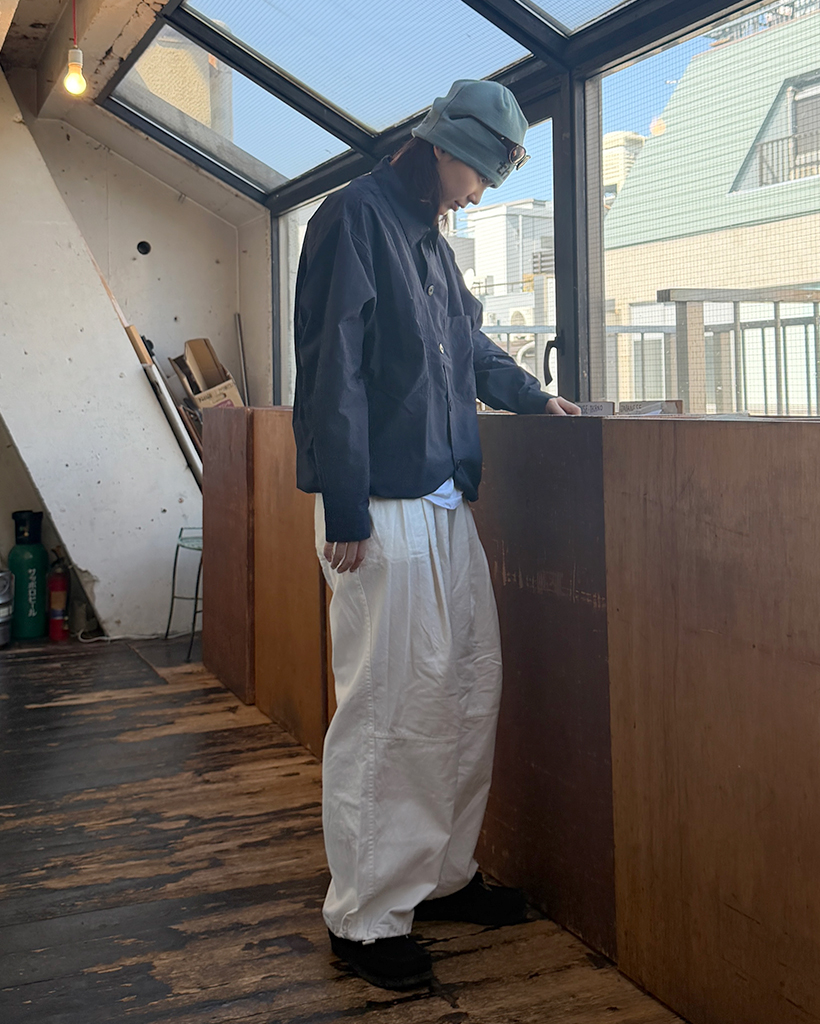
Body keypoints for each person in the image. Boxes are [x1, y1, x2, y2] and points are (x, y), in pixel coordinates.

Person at [293, 79, 581, 991]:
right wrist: (343, 505)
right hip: (378, 505)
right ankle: (366, 918)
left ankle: (442, 876)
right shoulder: (354, 218)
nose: (480, 192)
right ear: (444, 147)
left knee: (463, 689)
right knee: (389, 709)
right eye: (480, 174)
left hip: (447, 499)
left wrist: (532, 395)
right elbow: (331, 368)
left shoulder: (428, 240)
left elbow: (471, 347)